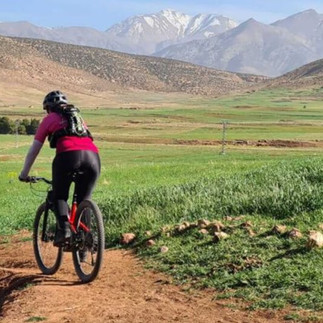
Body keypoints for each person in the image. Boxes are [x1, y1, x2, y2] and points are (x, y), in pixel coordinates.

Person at [19, 90, 101, 246]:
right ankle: (85, 246)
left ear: (49, 108)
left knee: (59, 196)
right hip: (93, 158)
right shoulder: (78, 118)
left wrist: (24, 174)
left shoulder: (49, 119)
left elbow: (34, 149)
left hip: (68, 157)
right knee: (84, 199)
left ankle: (64, 232)